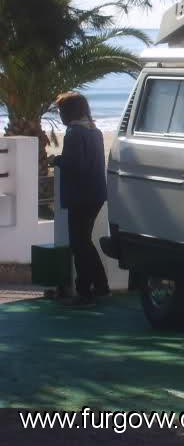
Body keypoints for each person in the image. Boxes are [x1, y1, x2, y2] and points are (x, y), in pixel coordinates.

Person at [51, 92, 109, 307]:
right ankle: (101, 286)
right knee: (84, 241)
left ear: (69, 112)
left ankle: (85, 292)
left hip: (80, 196)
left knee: (79, 244)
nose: (59, 115)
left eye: (60, 111)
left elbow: (75, 164)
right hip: (95, 194)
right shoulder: (94, 131)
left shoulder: (74, 133)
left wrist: (57, 160)